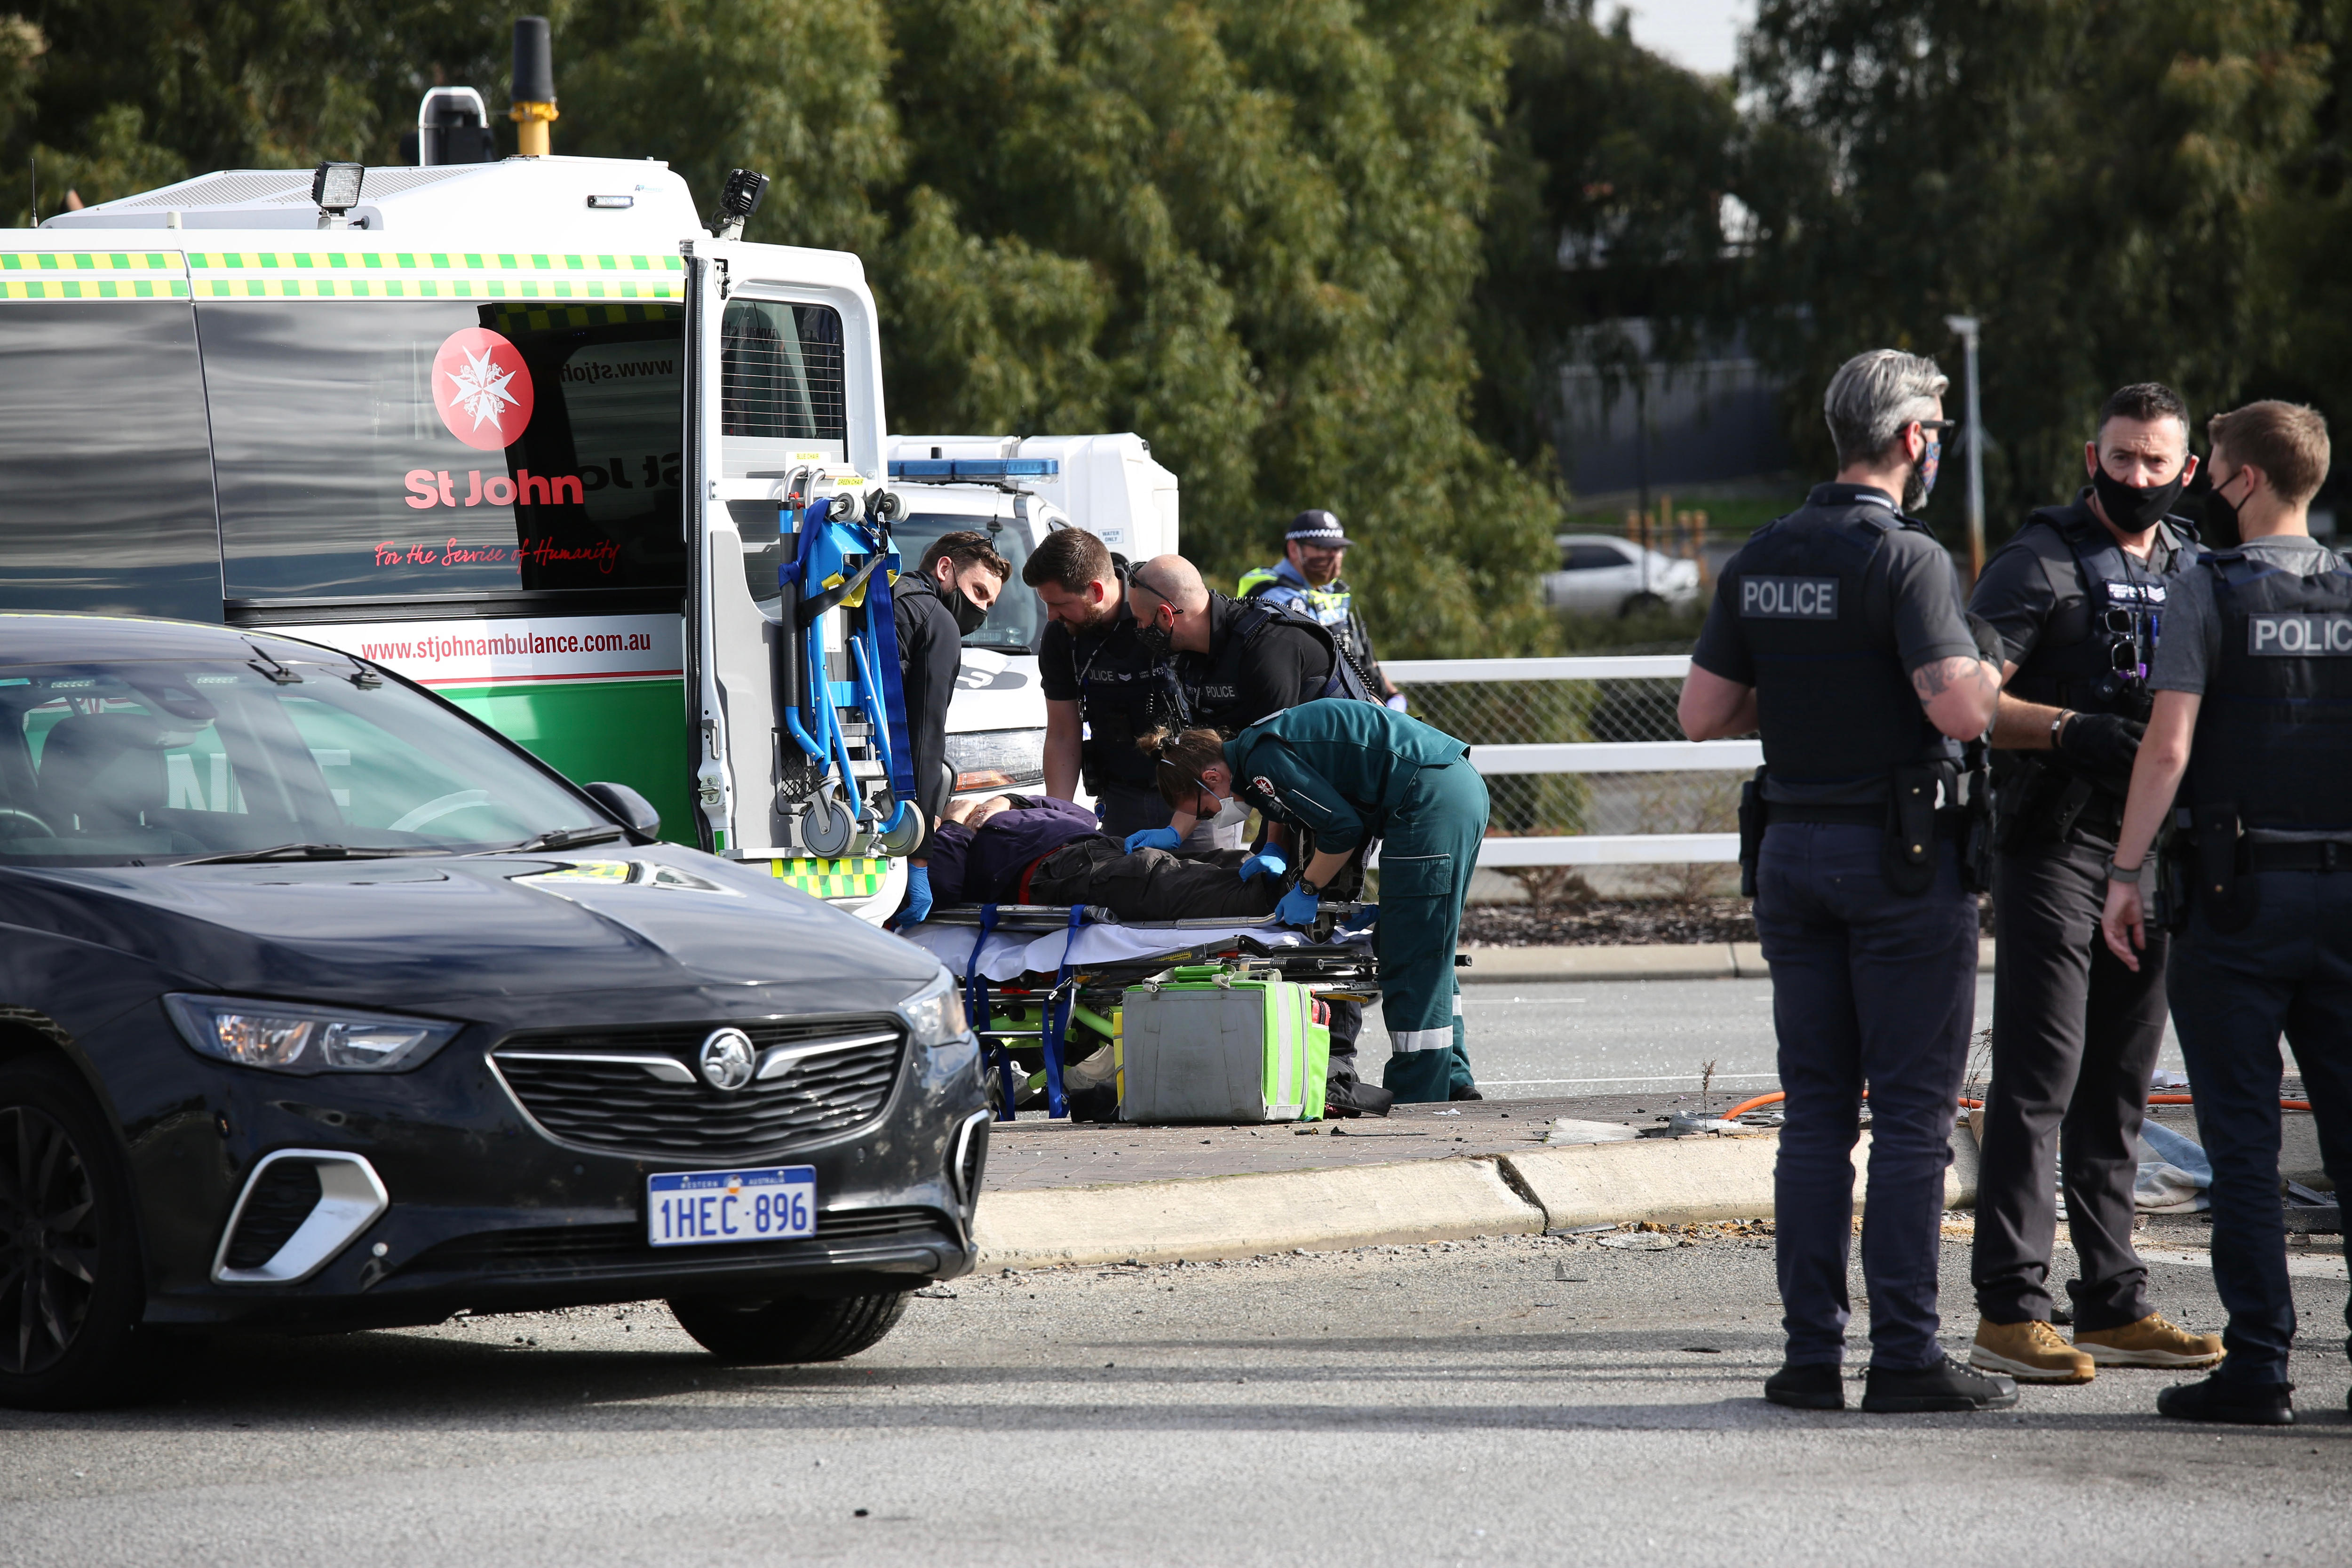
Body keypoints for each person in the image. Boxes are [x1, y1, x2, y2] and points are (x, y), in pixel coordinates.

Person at [1677, 348, 2015, 1414]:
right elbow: (1961, 711)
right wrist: (1990, 658)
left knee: (1819, 1114)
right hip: (1900, 859)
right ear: (1914, 438)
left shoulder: (1762, 553)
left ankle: (1809, 1356)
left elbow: (1701, 713)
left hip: (1793, 851)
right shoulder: (1906, 562)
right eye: (1936, 436)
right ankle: (1907, 1356)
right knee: (1913, 1118)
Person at [1963, 384, 2224, 1385]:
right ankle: (2008, 1311)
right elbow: (1971, 697)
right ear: (2091, 454)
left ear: (2187, 469)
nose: (2137, 478)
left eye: (2157, 462)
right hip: (2052, 848)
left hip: (2149, 852)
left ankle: (2112, 1301)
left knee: (2119, 1085)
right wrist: (2072, 730)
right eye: (2121, 458)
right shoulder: (2039, 560)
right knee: (2038, 1082)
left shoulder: (2193, 563)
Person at [2101, 399, 2350, 1426]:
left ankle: (2260, 1366)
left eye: (2215, 470)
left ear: (2243, 479)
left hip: (2235, 899)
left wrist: (2123, 871)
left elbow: (2166, 747)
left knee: (2242, 1143)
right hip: (2344, 896)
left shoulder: (2206, 584)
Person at [1123, 553, 1390, 1114]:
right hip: (1292, 788)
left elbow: (1280, 765)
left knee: (1323, 921)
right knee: (1283, 913)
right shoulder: (1191, 659)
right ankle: (1291, 1051)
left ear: (1167, 615)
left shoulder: (1266, 646)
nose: (1138, 631)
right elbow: (1204, 758)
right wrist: (1175, 829)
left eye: (1143, 620)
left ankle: (1334, 1068)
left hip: (1341, 791)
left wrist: (1272, 846)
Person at [1138, 699, 1487, 1104]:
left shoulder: (1262, 759)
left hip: (1430, 801)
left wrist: (1307, 889)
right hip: (1448, 789)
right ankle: (1452, 1076)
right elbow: (1309, 806)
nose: (1209, 818)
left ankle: (1421, 1091)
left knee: (1409, 951)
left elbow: (1342, 830)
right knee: (1429, 942)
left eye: (1202, 811)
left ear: (1212, 776)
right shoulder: (1258, 750)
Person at [1025, 527, 1194, 844]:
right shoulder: (1062, 637)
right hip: (1120, 798)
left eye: (1060, 604)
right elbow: (1063, 733)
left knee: (1204, 890)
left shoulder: (1164, 610)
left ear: (1096, 592)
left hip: (1193, 797)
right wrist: (1058, 818)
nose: (1051, 616)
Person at [891, 530, 1009, 924]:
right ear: (945, 569)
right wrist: (920, 856)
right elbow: (926, 740)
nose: (982, 611)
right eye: (978, 592)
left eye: (990, 603)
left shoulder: (887, 593)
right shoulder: (937, 622)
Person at [1239, 509, 1406, 708]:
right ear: (1294, 549)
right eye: (1322, 548)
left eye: (1339, 549)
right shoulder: (1276, 596)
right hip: (1318, 712)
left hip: (1357, 704)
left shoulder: (1332, 592)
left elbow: (1356, 653)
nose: (1334, 555)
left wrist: (1394, 695)